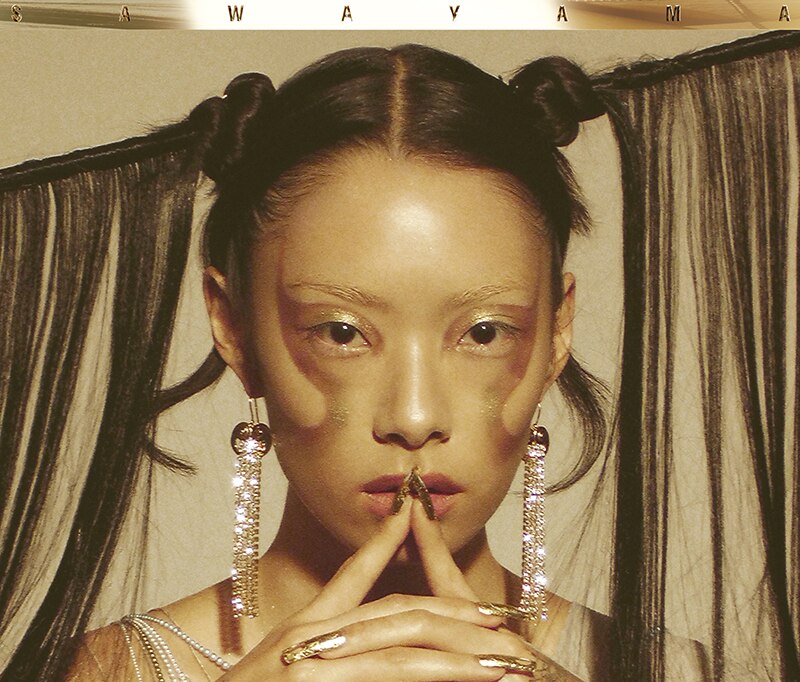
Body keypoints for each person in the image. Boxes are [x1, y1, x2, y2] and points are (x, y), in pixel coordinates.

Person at [1, 32, 798, 681]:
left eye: (483, 333)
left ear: (557, 332)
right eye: (342, 333)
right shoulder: (107, 674)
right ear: (233, 326)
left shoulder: (678, 673)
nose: (414, 418)